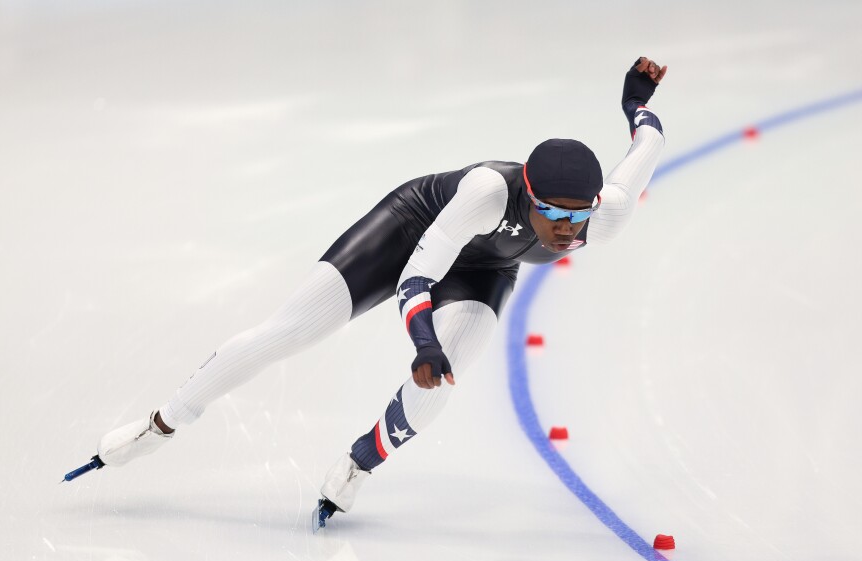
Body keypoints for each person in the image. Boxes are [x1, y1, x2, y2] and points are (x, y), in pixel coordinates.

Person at [86, 56, 668, 528]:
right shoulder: (489, 192)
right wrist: (421, 342)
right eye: (549, 212)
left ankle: (359, 463)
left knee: (444, 383)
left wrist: (634, 104)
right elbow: (417, 273)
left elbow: (647, 144)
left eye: (578, 215)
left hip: (485, 268)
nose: (567, 230)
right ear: (528, 194)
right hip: (411, 230)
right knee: (291, 331)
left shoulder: (606, 216)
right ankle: (159, 424)